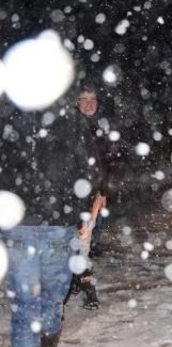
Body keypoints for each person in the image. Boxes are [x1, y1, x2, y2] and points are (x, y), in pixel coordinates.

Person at [0, 89, 104, 347]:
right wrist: (83, 215)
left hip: (18, 224)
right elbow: (90, 171)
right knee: (51, 299)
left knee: (25, 306)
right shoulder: (71, 121)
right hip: (58, 222)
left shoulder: (8, 119)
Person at [67, 85, 112, 310]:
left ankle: (78, 280)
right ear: (76, 102)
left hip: (92, 196)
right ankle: (83, 285)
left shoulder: (98, 127)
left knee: (85, 241)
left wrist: (102, 191)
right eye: (83, 99)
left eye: (92, 99)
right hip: (72, 197)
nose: (89, 103)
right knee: (77, 241)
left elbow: (103, 164)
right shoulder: (70, 126)